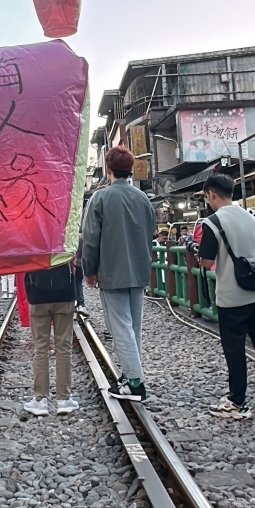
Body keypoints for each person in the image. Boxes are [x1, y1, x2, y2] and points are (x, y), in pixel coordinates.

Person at [81, 145, 155, 402]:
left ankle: (135, 383)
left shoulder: (99, 199)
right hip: (139, 269)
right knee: (134, 326)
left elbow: (90, 239)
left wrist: (88, 270)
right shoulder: (143, 198)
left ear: (108, 169)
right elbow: (150, 231)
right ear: (130, 170)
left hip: (112, 271)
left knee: (120, 326)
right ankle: (128, 374)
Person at [197, 174, 255, 419]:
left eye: (207, 196)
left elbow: (206, 261)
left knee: (234, 351)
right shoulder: (252, 218)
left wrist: (194, 250)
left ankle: (237, 402)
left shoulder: (212, 223)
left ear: (212, 194)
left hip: (231, 296)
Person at [22, 262, 79, 416]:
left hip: (38, 291)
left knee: (41, 348)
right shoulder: (65, 236)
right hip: (64, 291)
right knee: (64, 347)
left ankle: (40, 401)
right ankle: (64, 399)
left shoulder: (32, 237)